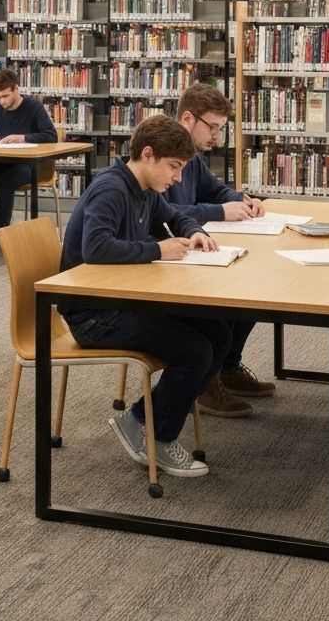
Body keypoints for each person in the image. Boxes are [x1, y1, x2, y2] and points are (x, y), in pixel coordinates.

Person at [59, 114, 230, 479]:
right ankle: (153, 434)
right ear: (148, 155)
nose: (178, 178)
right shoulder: (112, 189)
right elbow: (95, 248)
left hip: (120, 301)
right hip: (93, 315)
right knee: (195, 350)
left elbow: (175, 218)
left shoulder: (148, 192)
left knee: (219, 334)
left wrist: (195, 231)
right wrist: (157, 250)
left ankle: (144, 420)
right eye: (174, 167)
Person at [165, 83, 276, 418]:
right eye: (212, 127)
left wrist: (239, 200)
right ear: (188, 119)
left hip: (193, 251)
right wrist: (218, 212)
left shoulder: (193, 159)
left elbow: (214, 190)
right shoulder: (163, 154)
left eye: (220, 129)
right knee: (229, 293)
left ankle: (226, 366)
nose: (216, 137)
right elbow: (168, 213)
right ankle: (206, 379)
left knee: (254, 285)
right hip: (169, 261)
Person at [0, 68, 58, 243]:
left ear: (16, 89)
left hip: (30, 165)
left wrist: (22, 138)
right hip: (3, 161)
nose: (1, 101)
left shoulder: (33, 107)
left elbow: (51, 136)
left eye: (5, 96)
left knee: (4, 179)